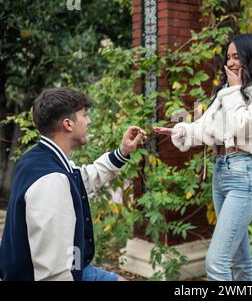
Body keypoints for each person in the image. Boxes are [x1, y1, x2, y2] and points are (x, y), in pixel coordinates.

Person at [153, 33, 252, 281]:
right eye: (228, 57)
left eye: (236, 56)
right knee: (240, 262)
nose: (230, 63)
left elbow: (242, 126)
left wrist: (234, 90)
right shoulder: (228, 92)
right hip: (221, 174)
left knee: (216, 263)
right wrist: (182, 130)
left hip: (243, 177)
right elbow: (207, 128)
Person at [0, 88, 146, 281]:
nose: (89, 121)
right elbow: (53, 272)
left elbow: (82, 179)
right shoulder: (51, 180)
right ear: (68, 124)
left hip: (75, 269)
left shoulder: (39, 159)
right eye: (84, 115)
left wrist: (122, 152)